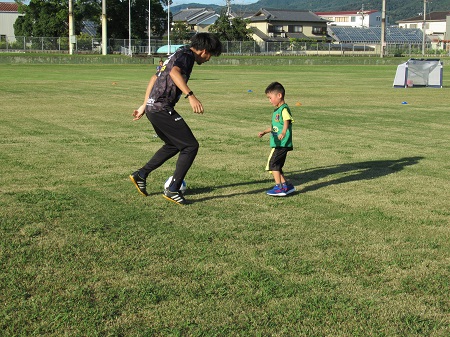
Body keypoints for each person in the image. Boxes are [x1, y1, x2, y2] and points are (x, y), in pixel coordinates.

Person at [130, 33, 222, 205]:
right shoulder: (187, 56)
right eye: (211, 55)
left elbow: (154, 77)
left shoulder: (179, 52)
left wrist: (145, 105)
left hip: (153, 107)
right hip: (161, 108)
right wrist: (191, 95)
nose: (209, 59)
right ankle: (173, 189)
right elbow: (174, 72)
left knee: (173, 144)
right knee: (190, 146)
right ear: (204, 51)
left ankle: (141, 175)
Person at [258, 82, 296, 196]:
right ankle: (286, 186)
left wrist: (284, 132)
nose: (270, 101)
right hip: (279, 143)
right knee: (277, 165)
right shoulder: (277, 111)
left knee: (273, 164)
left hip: (282, 143)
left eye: (270, 98)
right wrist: (265, 131)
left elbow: (286, 121)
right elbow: (275, 127)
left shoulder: (284, 109)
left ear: (279, 95)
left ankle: (279, 187)